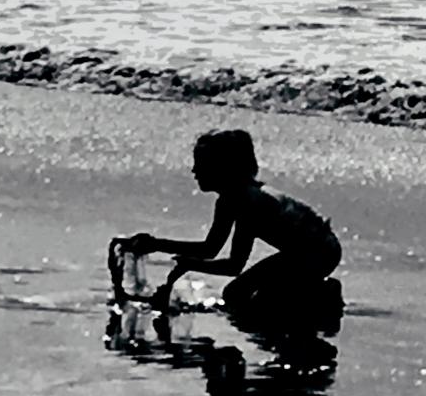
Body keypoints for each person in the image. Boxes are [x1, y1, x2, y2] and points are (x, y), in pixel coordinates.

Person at [122, 129, 341, 315]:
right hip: (306, 251)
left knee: (246, 298)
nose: (194, 171)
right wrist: (156, 245)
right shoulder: (230, 200)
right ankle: (313, 295)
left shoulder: (249, 202)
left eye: (201, 165)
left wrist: (188, 263)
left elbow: (233, 266)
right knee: (242, 296)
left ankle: (321, 296)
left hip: (318, 252)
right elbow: (210, 249)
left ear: (223, 169)